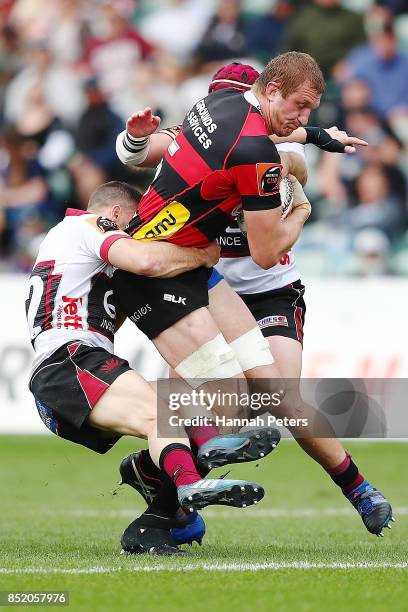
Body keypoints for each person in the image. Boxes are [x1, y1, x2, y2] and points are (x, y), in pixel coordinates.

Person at [114, 55, 393, 541]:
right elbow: (145, 150)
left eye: (308, 110)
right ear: (264, 93)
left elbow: (293, 157)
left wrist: (316, 139)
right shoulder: (246, 144)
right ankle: (167, 492)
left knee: (278, 398)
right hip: (184, 272)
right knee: (208, 405)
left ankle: (357, 487)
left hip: (262, 290)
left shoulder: (254, 139)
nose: (300, 120)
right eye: (298, 108)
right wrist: (300, 212)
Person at [26, 180, 276, 555]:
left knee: (175, 406)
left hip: (74, 366)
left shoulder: (75, 252)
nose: (138, 232)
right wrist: (200, 257)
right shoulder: (88, 226)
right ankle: (190, 483)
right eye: (134, 223)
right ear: (113, 215)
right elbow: (145, 259)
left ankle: (165, 500)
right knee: (161, 416)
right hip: (70, 360)